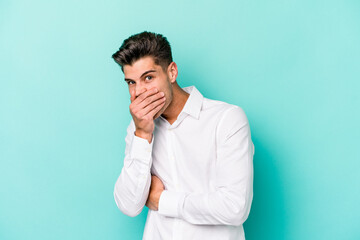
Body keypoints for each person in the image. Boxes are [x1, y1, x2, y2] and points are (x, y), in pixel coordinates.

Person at [112, 31, 255, 240]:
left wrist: (162, 200)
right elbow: (128, 205)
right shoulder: (138, 129)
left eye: (148, 78)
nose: (138, 92)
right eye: (131, 82)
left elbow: (235, 207)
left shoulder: (226, 120)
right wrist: (142, 134)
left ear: (172, 72)